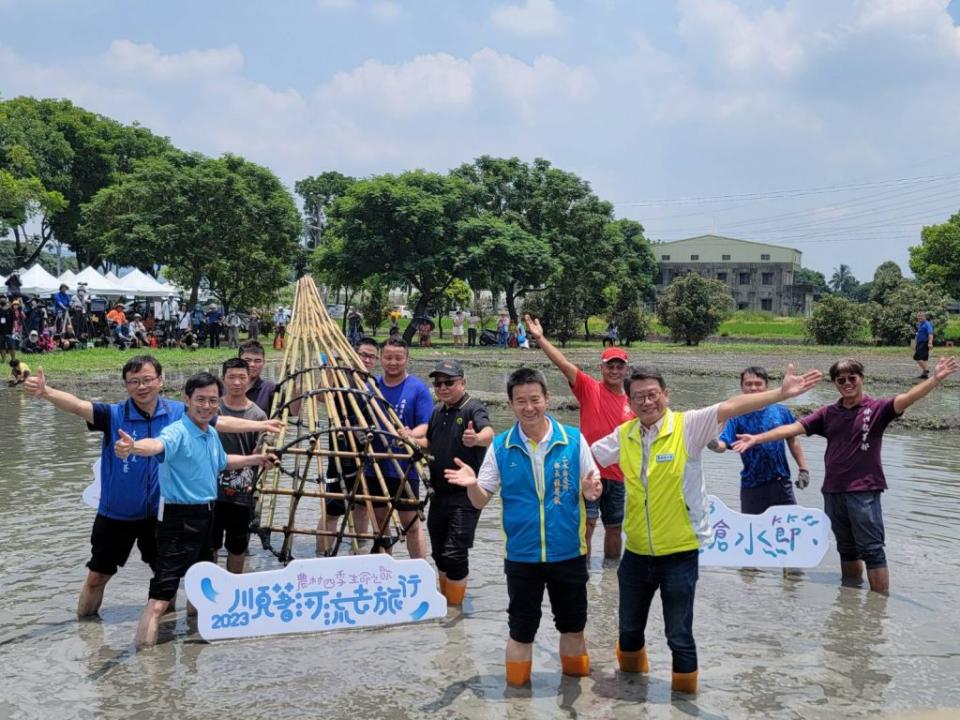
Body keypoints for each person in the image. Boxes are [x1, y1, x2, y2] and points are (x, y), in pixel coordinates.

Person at [590, 363, 822, 694]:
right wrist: (591, 478)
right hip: (637, 553)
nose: (646, 402)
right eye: (638, 396)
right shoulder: (624, 435)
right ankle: (629, 693)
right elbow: (590, 455)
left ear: (666, 395)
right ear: (629, 402)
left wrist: (780, 394)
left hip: (680, 553)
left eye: (653, 394)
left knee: (678, 635)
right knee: (628, 631)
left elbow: (730, 407)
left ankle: (685, 704)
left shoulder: (689, 426)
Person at [22, 356, 282, 618]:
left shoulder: (178, 412)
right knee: (97, 576)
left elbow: (220, 422)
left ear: (161, 381)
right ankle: (85, 634)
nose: (141, 386)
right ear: (125, 385)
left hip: (160, 516)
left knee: (165, 580)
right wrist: (46, 392)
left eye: (147, 379)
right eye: (134, 381)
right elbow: (78, 406)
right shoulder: (114, 415)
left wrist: (261, 424)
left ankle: (163, 637)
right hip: (116, 514)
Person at [733, 356, 959, 595]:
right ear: (835, 384)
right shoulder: (828, 413)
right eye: (841, 379)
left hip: (864, 491)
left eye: (853, 378)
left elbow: (907, 398)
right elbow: (793, 429)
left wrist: (934, 378)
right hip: (833, 491)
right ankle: (850, 600)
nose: (847, 383)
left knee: (872, 550)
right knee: (846, 548)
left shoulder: (877, 409)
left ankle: (879, 605)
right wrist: (757, 438)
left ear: (861, 379)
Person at [446, 367, 602, 686]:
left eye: (535, 399)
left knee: (573, 628)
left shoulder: (573, 439)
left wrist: (589, 492)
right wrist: (472, 484)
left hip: (568, 554)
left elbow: (591, 484)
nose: (528, 407)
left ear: (547, 399)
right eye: (521, 401)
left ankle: (577, 694)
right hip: (522, 557)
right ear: (511, 403)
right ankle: (516, 701)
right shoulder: (502, 447)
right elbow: (479, 501)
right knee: (521, 631)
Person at [113, 371, 277, 648]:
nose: (207, 406)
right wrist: (133, 447)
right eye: (200, 399)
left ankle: (193, 644)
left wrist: (256, 459)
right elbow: (157, 445)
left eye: (213, 400)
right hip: (178, 519)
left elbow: (222, 461)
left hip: (205, 515)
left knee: (201, 584)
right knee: (161, 597)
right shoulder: (176, 431)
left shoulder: (210, 433)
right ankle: (146, 670)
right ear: (186, 400)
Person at [525, 314, 633, 560]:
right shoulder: (589, 388)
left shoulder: (633, 402)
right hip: (587, 473)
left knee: (615, 528)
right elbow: (563, 364)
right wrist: (540, 338)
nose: (614, 370)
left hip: (619, 475)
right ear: (601, 368)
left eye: (619, 366)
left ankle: (611, 579)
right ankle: (581, 575)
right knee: (587, 525)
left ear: (626, 370)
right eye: (610, 365)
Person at [422, 359, 494, 606]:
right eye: (438, 383)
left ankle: (455, 608)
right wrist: (408, 438)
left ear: (463, 382)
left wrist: (476, 439)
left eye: (449, 382)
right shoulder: (437, 411)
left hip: (465, 496)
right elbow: (429, 444)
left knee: (455, 552)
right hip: (439, 494)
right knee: (439, 552)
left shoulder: (473, 408)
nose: (442, 387)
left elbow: (488, 434)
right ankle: (445, 601)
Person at [708, 366, 810, 514]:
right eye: (748, 384)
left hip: (781, 482)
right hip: (752, 485)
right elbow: (724, 444)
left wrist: (803, 469)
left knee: (790, 530)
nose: (753, 388)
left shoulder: (781, 412)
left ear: (766, 386)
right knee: (753, 532)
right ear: (742, 387)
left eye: (758, 384)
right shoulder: (735, 416)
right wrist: (713, 444)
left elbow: (793, 440)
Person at [367, 338, 433, 559]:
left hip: (404, 467)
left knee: (411, 524)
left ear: (406, 359)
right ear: (380, 359)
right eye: (388, 357)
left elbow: (426, 425)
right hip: (374, 465)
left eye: (398, 358)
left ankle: (419, 569)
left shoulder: (417, 388)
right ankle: (384, 571)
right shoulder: (371, 386)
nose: (392, 362)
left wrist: (411, 434)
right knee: (380, 524)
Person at [317, 337, 379, 555]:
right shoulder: (342, 377)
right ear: (353, 354)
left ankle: (359, 551)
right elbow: (323, 394)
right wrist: (330, 366)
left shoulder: (373, 382)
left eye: (371, 356)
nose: (366, 359)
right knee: (334, 506)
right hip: (342, 449)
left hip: (367, 450)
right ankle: (323, 556)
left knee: (362, 505)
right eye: (362, 354)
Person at [213, 358, 267, 573]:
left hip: (243, 492)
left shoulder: (258, 416)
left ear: (249, 379)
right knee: (210, 545)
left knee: (238, 546)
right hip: (211, 491)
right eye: (231, 377)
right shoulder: (213, 410)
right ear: (223, 379)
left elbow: (262, 450)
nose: (237, 382)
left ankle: (233, 588)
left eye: (242, 377)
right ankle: (206, 593)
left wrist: (264, 451)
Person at [240, 339, 277, 415]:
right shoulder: (225, 387)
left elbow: (293, 411)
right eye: (247, 360)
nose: (252, 365)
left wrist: (295, 384)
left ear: (263, 362)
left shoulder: (270, 388)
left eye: (257, 361)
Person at [914, 311, 934, 379]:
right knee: (924, 358)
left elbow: (930, 334)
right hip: (919, 343)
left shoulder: (927, 324)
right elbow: (918, 334)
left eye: (921, 316)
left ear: (925, 317)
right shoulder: (920, 324)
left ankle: (926, 370)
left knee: (917, 357)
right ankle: (924, 375)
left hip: (924, 343)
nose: (919, 318)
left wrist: (930, 342)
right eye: (918, 316)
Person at [1, 295, 19, 362]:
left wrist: (15, 329)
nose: (2, 300)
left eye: (3, 299)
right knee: (1, 347)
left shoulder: (11, 310)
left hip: (10, 331)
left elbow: (15, 320)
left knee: (11, 346)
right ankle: (4, 360)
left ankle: (13, 360)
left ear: (6, 300)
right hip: (0, 332)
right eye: (0, 299)